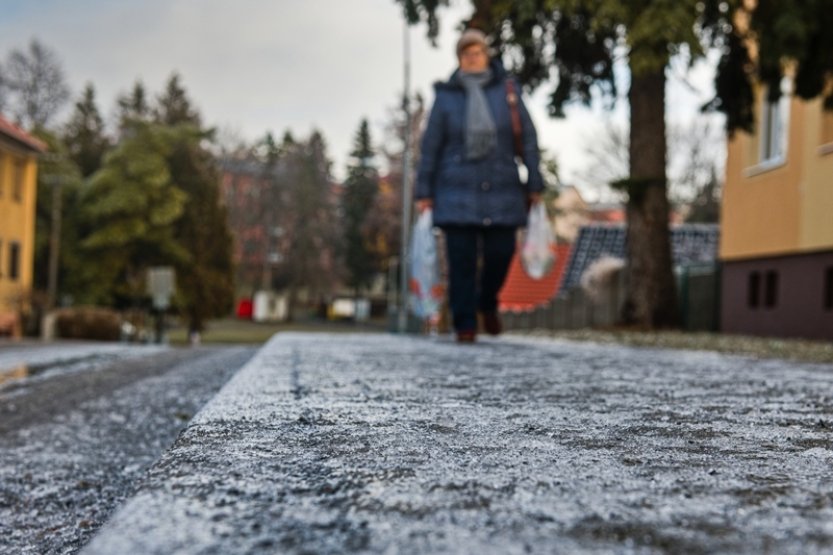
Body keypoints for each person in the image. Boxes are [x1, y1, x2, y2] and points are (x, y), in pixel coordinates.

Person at [415, 28, 543, 343]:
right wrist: (424, 192)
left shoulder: (508, 90)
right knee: (461, 261)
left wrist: (535, 181)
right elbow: (430, 146)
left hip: (502, 184)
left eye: (478, 52)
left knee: (501, 252)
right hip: (455, 188)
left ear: (487, 55)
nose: (472, 58)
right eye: (466, 53)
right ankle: (465, 324)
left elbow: (527, 137)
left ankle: (487, 303)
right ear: (459, 59)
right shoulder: (446, 96)